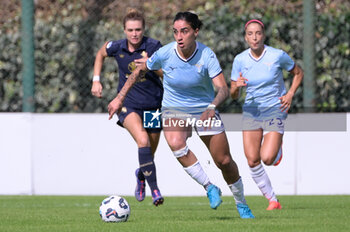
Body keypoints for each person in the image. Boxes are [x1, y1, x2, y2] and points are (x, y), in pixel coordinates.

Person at [108, 11, 255, 219]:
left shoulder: (207, 55)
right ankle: (209, 187)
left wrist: (212, 106)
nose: (179, 36)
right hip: (174, 109)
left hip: (204, 108)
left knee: (223, 160)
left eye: (184, 31)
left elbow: (222, 89)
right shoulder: (165, 53)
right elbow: (139, 71)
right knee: (176, 143)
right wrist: (119, 98)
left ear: (195, 31)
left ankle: (241, 203)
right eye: (176, 32)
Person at [91, 8, 164, 206]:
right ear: (124, 30)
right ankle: (155, 190)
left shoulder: (154, 46)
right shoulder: (117, 47)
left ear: (143, 29)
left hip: (154, 105)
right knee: (142, 141)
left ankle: (141, 175)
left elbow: (169, 74)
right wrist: (96, 80)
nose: (134, 34)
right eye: (130, 30)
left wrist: (152, 64)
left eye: (138, 30)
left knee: (150, 150)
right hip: (129, 105)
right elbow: (100, 53)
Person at [230, 19, 304, 210]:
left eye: (258, 33)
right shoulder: (240, 60)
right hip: (251, 111)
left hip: (274, 109)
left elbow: (298, 73)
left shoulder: (277, 55)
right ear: (245, 37)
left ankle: (277, 147)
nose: (254, 37)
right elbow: (233, 93)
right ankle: (273, 200)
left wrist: (290, 94)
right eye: (250, 34)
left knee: (268, 158)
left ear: (263, 35)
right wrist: (236, 87)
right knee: (252, 160)